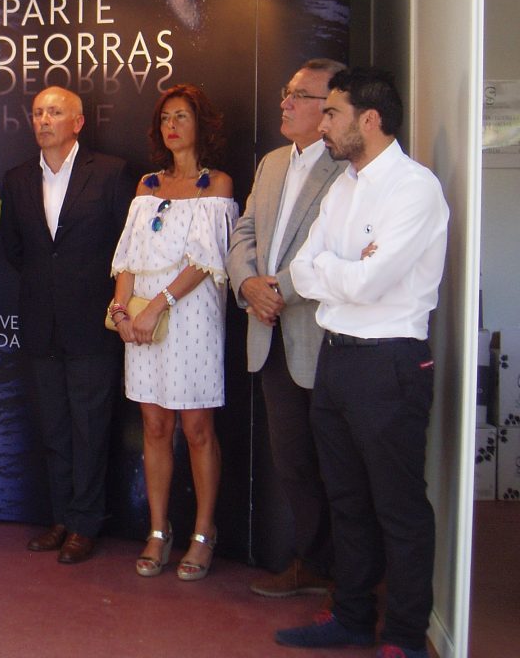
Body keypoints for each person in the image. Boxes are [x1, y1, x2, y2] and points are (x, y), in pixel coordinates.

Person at [277, 68, 448, 658]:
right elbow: (301, 271)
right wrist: (344, 268)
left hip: (390, 364)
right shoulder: (341, 186)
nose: (322, 123)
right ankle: (351, 617)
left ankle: (404, 637)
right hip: (337, 359)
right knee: (345, 498)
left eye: (332, 113)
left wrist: (337, 269)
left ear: (369, 120)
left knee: (398, 507)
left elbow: (370, 284)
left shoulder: (414, 188)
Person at [226, 59, 346, 597]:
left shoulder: (347, 169)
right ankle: (313, 563)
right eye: (286, 92)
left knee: (337, 463)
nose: (285, 103)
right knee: (292, 460)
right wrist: (247, 285)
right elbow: (244, 232)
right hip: (267, 333)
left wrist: (276, 293)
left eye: (299, 95)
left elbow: (337, 253)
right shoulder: (273, 162)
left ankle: (351, 576)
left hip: (320, 339)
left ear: (330, 108)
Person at [109, 84, 237, 580]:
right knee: (155, 426)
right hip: (142, 321)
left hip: (190, 318)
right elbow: (128, 257)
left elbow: (206, 260)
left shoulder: (217, 184)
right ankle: (158, 531)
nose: (172, 125)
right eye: (165, 118)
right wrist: (122, 310)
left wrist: (157, 306)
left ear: (201, 124)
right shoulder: (147, 186)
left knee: (197, 428)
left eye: (182, 116)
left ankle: (203, 534)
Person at [0, 86, 132, 564]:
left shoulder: (112, 172)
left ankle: (85, 523)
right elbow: (14, 248)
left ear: (77, 122)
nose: (43, 120)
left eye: (54, 112)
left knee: (90, 429)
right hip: (41, 323)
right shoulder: (17, 178)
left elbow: (126, 247)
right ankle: (60, 518)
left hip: (92, 324)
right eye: (38, 112)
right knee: (54, 429)